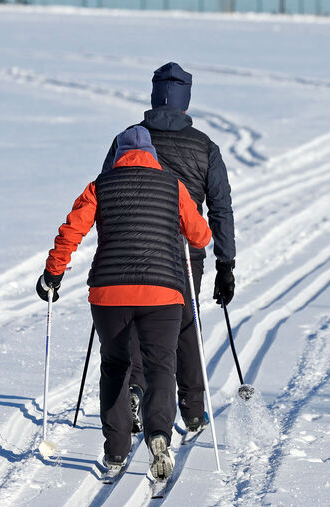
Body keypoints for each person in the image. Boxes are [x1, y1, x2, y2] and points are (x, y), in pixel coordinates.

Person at [36, 126, 211, 479]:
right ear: (152, 156)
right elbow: (200, 236)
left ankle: (115, 451)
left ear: (118, 155)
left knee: (115, 365)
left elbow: (71, 231)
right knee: (161, 367)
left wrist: (52, 274)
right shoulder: (173, 186)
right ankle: (158, 434)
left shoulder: (99, 186)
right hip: (163, 293)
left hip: (109, 293)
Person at [102, 62, 236, 433]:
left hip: (131, 246)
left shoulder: (127, 140)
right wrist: (226, 264)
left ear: (153, 96)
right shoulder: (205, 147)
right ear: (186, 101)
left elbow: (107, 191)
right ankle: (192, 409)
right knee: (184, 325)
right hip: (186, 252)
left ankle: (134, 389)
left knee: (133, 323)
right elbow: (220, 207)